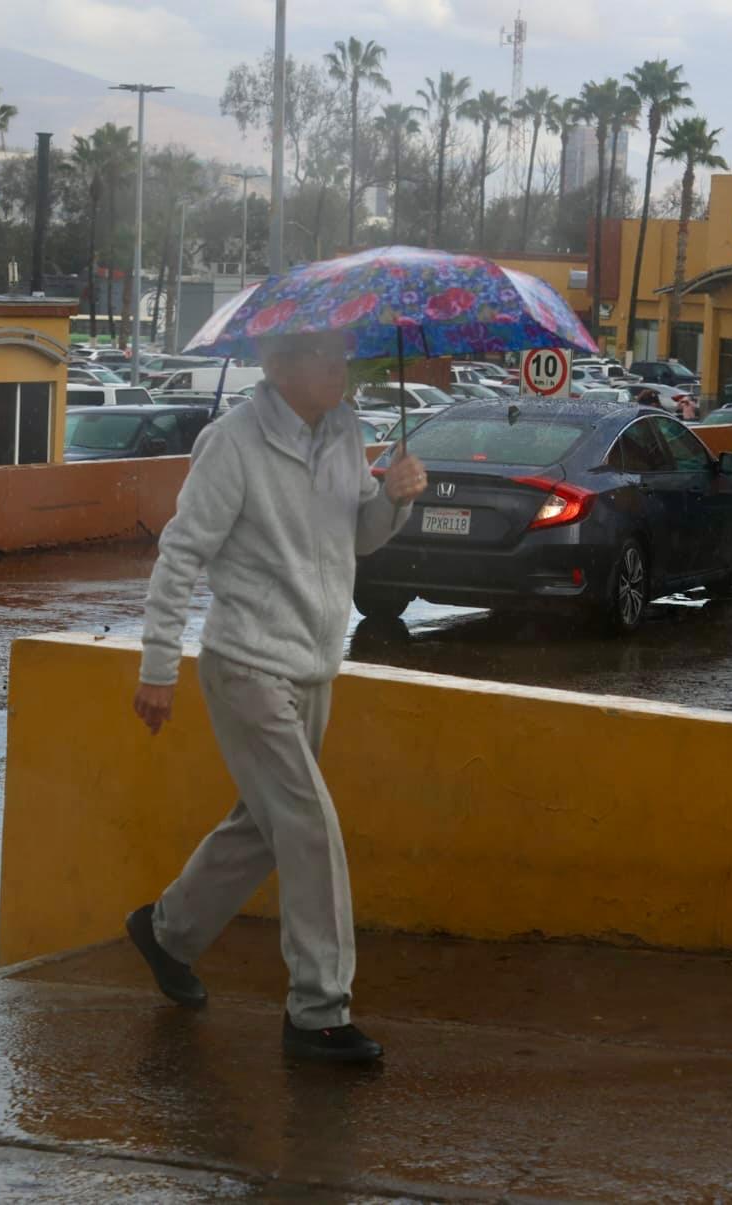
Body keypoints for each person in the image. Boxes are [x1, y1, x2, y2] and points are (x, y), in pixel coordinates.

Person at [129, 330, 428, 1063]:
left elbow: (356, 538)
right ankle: (319, 1011)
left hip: (315, 664)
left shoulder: (344, 430)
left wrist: (392, 499)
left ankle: (166, 932)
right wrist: (158, 664)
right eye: (326, 356)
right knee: (309, 825)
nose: (341, 367)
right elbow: (182, 552)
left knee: (265, 825)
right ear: (280, 367)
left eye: (342, 355)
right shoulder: (232, 444)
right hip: (245, 665)